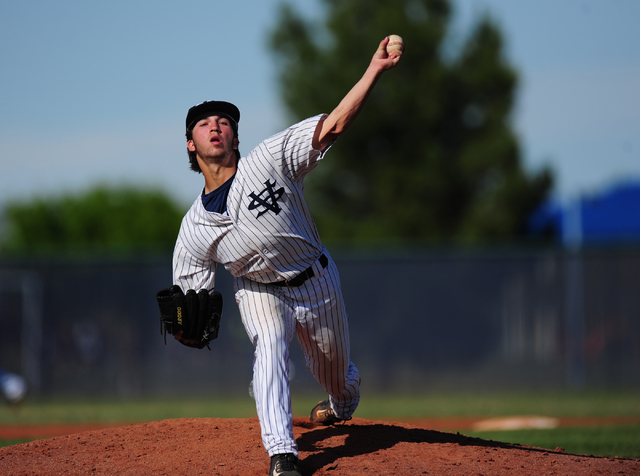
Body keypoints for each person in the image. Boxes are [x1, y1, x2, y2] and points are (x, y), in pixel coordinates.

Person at [171, 36, 402, 476]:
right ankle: (282, 453)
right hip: (258, 290)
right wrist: (187, 328)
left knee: (336, 377)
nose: (215, 126)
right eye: (203, 124)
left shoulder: (269, 160)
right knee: (270, 346)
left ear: (236, 135)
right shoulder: (193, 229)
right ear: (190, 144)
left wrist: (373, 70)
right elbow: (189, 296)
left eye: (223, 121)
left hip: (315, 279)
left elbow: (332, 126)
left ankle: (342, 400)